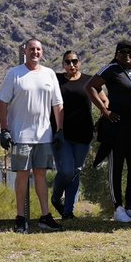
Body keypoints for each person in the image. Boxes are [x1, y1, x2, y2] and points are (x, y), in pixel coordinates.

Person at [0, 39, 64, 233]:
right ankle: (20, 218)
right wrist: (4, 129)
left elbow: (57, 105)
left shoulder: (49, 74)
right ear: (25, 51)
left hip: (44, 135)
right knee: (23, 176)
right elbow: (3, 104)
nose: (35, 52)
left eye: (38, 49)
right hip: (21, 135)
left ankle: (45, 216)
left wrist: (59, 130)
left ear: (42, 52)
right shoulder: (14, 74)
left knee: (41, 175)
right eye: (31, 49)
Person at [88, 40, 131, 223]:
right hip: (117, 125)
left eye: (130, 51)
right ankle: (118, 207)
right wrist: (105, 110)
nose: (127, 54)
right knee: (117, 166)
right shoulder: (111, 69)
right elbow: (91, 86)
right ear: (116, 54)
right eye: (123, 51)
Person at [51, 50, 94, 220]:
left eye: (74, 61)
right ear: (63, 64)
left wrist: (104, 115)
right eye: (67, 62)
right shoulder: (56, 79)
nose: (71, 65)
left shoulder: (88, 81)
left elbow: (103, 99)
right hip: (62, 134)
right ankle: (56, 197)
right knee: (67, 170)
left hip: (84, 135)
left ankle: (68, 211)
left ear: (80, 62)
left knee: (76, 171)